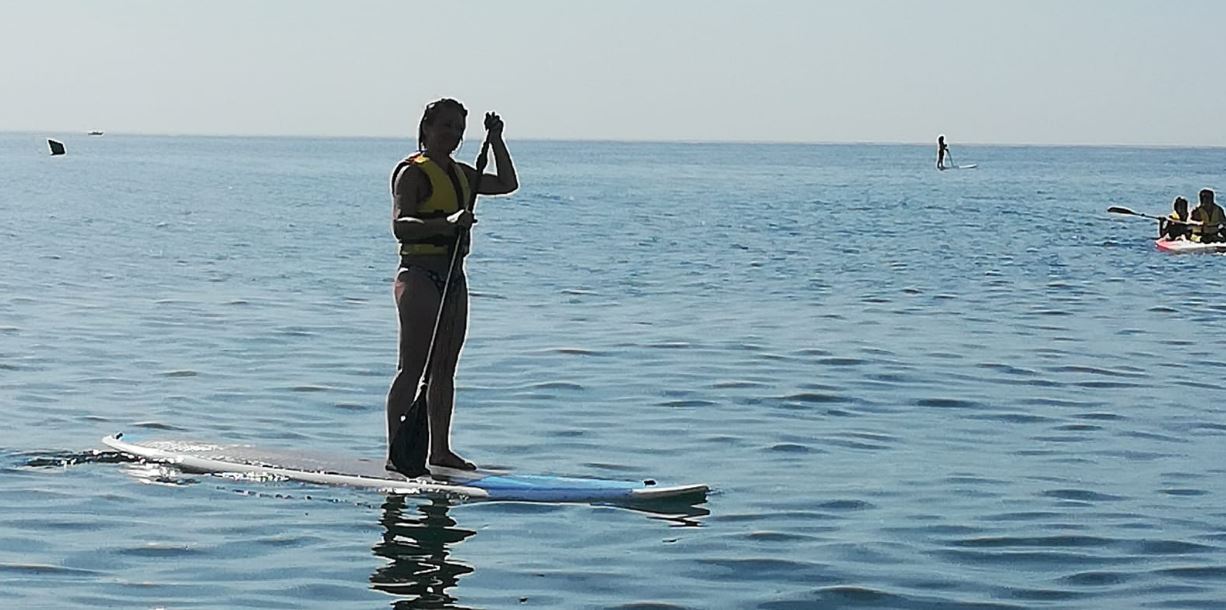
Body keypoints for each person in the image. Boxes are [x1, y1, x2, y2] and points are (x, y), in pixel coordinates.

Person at [386, 98, 518, 472]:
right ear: (427, 127)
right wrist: (448, 221)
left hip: (453, 278)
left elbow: (508, 184)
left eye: (459, 129)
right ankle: (397, 453)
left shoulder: (461, 172)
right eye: (445, 126)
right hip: (419, 277)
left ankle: (439, 451)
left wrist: (495, 141)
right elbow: (400, 225)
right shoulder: (411, 173)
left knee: (444, 368)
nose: (453, 135)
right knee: (412, 367)